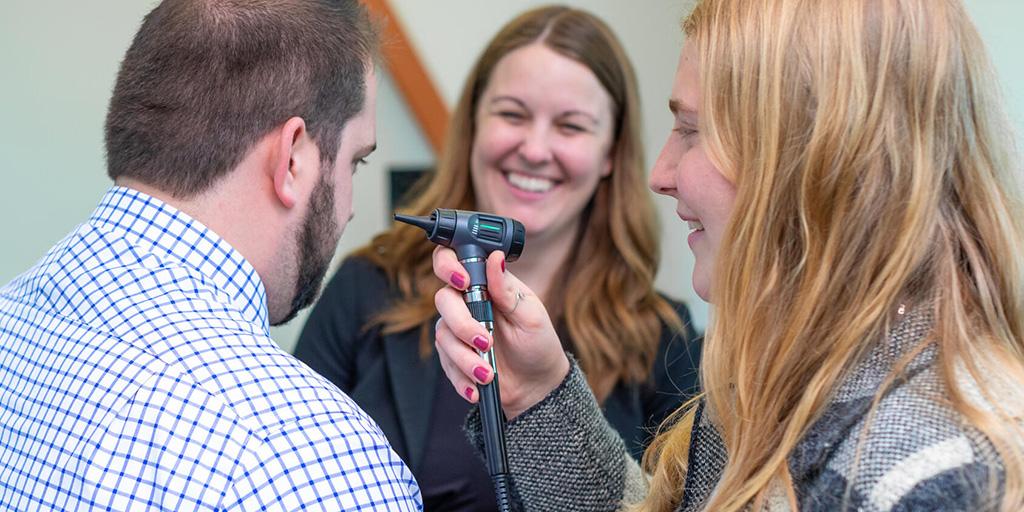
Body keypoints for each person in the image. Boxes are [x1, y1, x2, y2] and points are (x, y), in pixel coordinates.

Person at [431, 0, 1024, 510]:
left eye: (691, 131)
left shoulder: (927, 473)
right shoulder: (773, 376)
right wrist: (534, 392)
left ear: (815, 157)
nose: (660, 174)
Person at [0, 1, 422, 509]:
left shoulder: (12, 315)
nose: (351, 209)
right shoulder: (306, 459)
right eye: (355, 162)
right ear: (291, 158)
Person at [293, 5, 701, 510]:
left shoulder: (667, 341)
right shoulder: (364, 287)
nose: (534, 148)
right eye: (512, 114)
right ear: (473, 125)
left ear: (610, 154)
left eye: (571, 126)